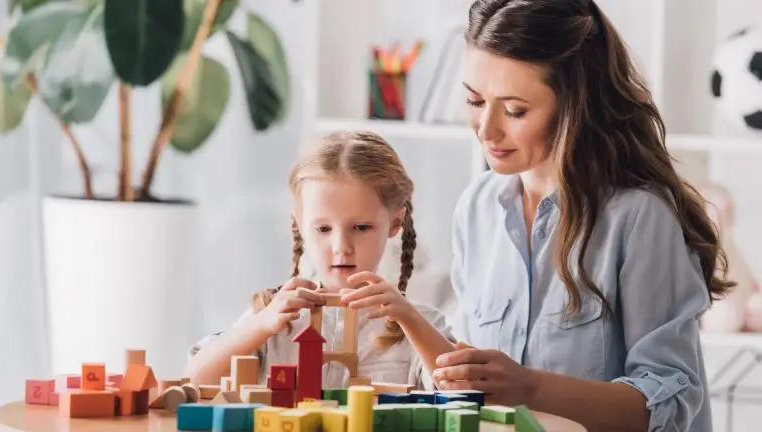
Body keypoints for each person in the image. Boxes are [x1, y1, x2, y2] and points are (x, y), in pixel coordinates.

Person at [431, 1, 735, 431]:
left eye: (515, 110)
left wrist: (530, 388)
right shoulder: (477, 206)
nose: (486, 129)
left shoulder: (638, 217)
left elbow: (671, 400)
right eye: (474, 100)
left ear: (574, 103)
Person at [184, 130, 456, 390]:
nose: (341, 247)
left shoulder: (420, 323)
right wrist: (262, 324)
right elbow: (194, 380)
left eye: (361, 227)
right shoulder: (272, 315)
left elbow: (463, 390)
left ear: (395, 222)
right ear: (300, 225)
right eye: (323, 229)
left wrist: (407, 317)